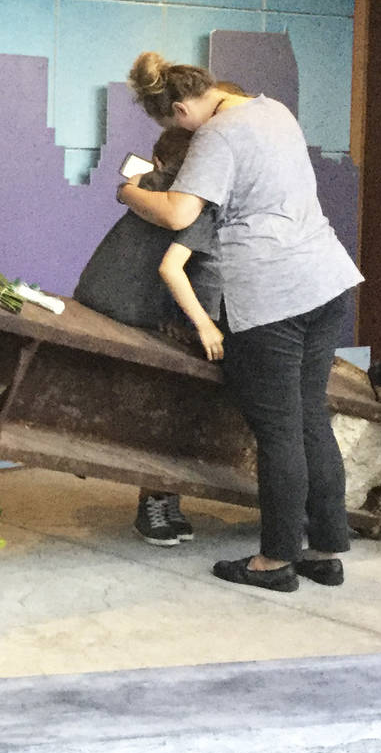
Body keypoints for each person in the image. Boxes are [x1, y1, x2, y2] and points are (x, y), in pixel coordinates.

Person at [118, 54, 364, 591]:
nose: (181, 130)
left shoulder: (216, 135)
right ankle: (324, 552)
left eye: (173, 122)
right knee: (310, 418)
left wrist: (131, 191)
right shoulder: (273, 110)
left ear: (181, 107)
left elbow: (180, 214)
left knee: (278, 431)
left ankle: (275, 562)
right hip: (326, 278)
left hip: (270, 293)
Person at [127, 127, 224, 547]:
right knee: (171, 417)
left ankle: (167, 499)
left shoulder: (195, 208)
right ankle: (155, 500)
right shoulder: (195, 211)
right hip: (195, 329)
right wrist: (202, 323)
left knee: (183, 420)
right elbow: (169, 268)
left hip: (198, 327)